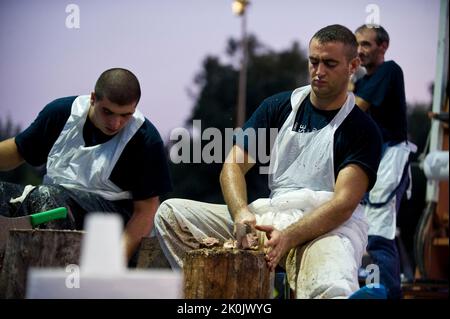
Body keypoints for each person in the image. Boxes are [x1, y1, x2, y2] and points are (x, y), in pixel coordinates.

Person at [155, 24, 383, 299]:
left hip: (327, 228)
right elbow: (233, 167)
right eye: (314, 62)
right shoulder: (278, 107)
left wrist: (289, 236)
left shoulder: (362, 129)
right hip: (268, 218)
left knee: (330, 282)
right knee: (171, 215)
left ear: (353, 65)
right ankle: (227, 295)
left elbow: (343, 205)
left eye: (330, 64)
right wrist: (241, 213)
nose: (319, 72)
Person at [0, 68, 172, 262]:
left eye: (125, 115)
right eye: (107, 112)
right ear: (93, 98)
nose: (115, 123)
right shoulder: (61, 113)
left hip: (109, 223)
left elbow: (146, 210)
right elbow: (17, 150)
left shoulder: (145, 139)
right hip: (51, 203)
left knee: (47, 197)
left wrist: (113, 262)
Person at [353, 25, 417, 299]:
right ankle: (374, 289)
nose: (360, 50)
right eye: (356, 45)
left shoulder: (389, 70)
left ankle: (390, 295)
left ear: (383, 46)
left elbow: (354, 110)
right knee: (365, 228)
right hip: (375, 159)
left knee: (379, 231)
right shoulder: (363, 80)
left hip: (391, 157)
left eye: (366, 44)